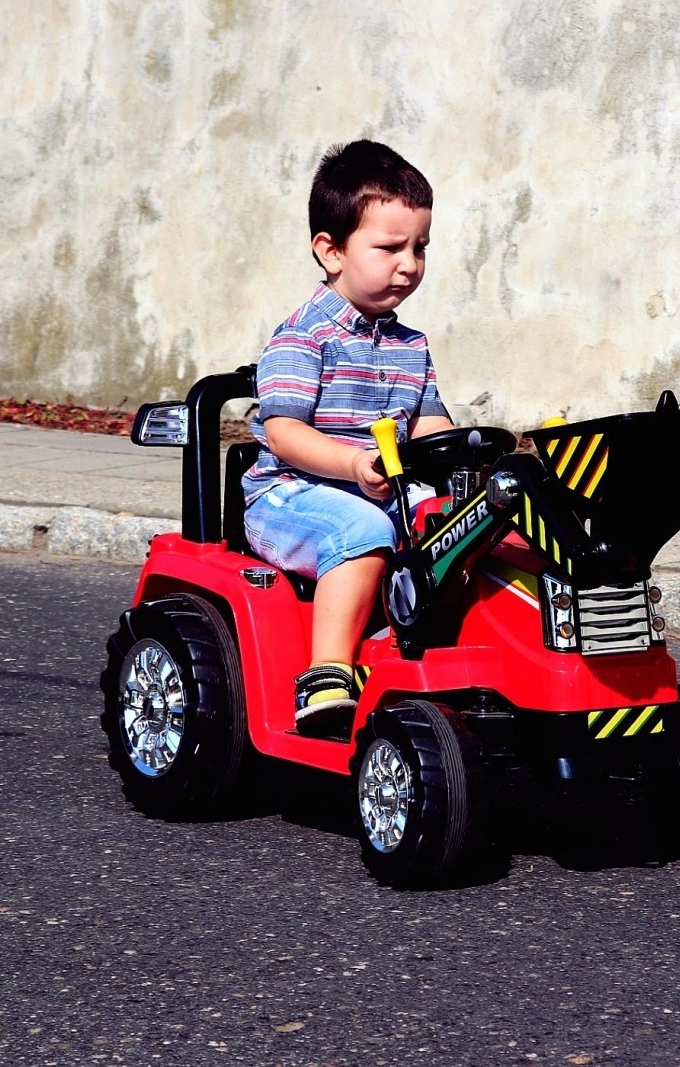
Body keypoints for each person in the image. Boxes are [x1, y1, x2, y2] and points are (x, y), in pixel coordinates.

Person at [242, 140, 454, 735]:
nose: (408, 264)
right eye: (389, 248)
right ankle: (327, 675)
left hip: (377, 488)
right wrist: (354, 463)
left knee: (459, 527)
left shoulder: (411, 345)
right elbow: (283, 434)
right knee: (361, 528)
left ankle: (411, 643)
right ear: (330, 251)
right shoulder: (303, 337)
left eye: (419, 248)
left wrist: (463, 466)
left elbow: (428, 423)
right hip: (290, 496)